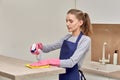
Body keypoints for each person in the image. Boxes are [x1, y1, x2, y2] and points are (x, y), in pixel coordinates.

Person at [30, 9, 93, 80]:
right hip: (62, 75)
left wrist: (49, 61)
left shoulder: (85, 40)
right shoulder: (67, 37)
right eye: (66, 21)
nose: (67, 24)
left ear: (80, 22)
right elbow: (50, 48)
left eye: (71, 21)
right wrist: (40, 47)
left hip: (74, 76)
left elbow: (71, 62)